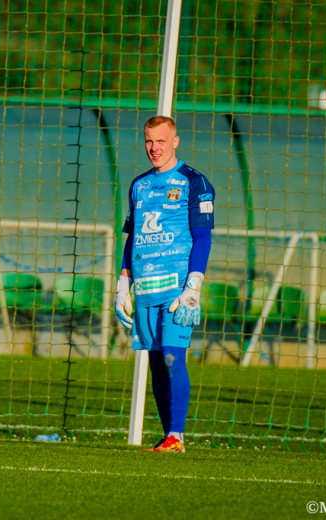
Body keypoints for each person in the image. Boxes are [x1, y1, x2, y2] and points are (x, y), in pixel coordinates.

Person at [115, 115, 215, 453]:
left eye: (160, 141)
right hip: (145, 288)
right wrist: (122, 285)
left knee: (174, 357)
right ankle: (168, 436)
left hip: (176, 288)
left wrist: (193, 287)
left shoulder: (194, 182)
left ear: (175, 141)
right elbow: (132, 240)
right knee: (155, 361)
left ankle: (178, 434)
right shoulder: (139, 185)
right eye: (148, 141)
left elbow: (202, 238)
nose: (154, 148)